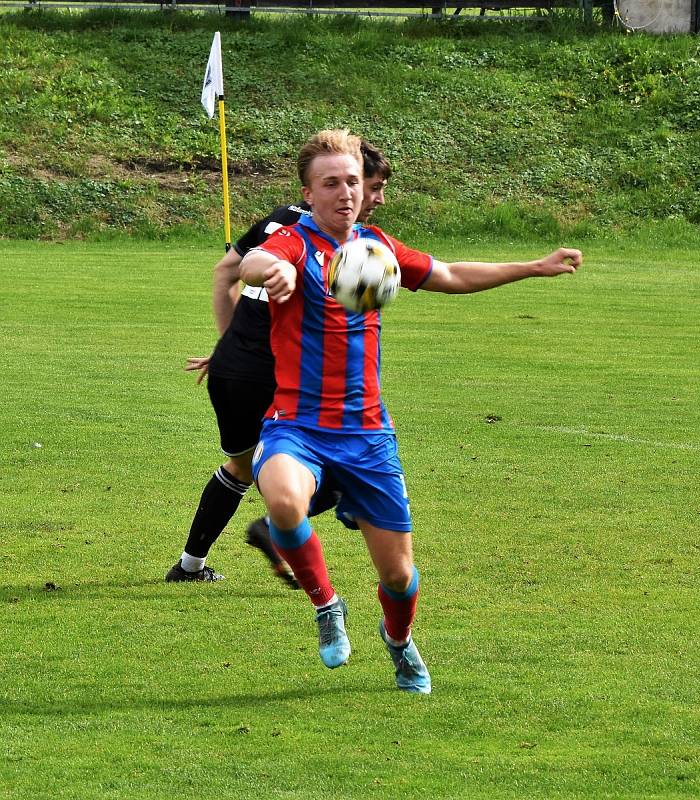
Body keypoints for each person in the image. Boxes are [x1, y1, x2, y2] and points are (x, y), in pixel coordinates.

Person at [239, 129, 582, 694]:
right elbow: (256, 261)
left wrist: (533, 266)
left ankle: (398, 642)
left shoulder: (376, 248)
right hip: (296, 425)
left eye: (352, 181)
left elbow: (446, 275)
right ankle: (327, 605)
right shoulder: (293, 245)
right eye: (331, 183)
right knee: (282, 503)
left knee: (398, 578)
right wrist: (268, 272)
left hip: (368, 434)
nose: (345, 192)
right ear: (308, 191)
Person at [165, 142, 392, 586]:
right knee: (348, 463)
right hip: (276, 375)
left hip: (235, 368)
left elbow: (225, 272)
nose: (378, 198)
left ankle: (190, 566)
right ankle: (274, 528)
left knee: (242, 467)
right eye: (374, 187)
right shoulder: (325, 241)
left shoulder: (284, 217)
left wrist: (230, 344)